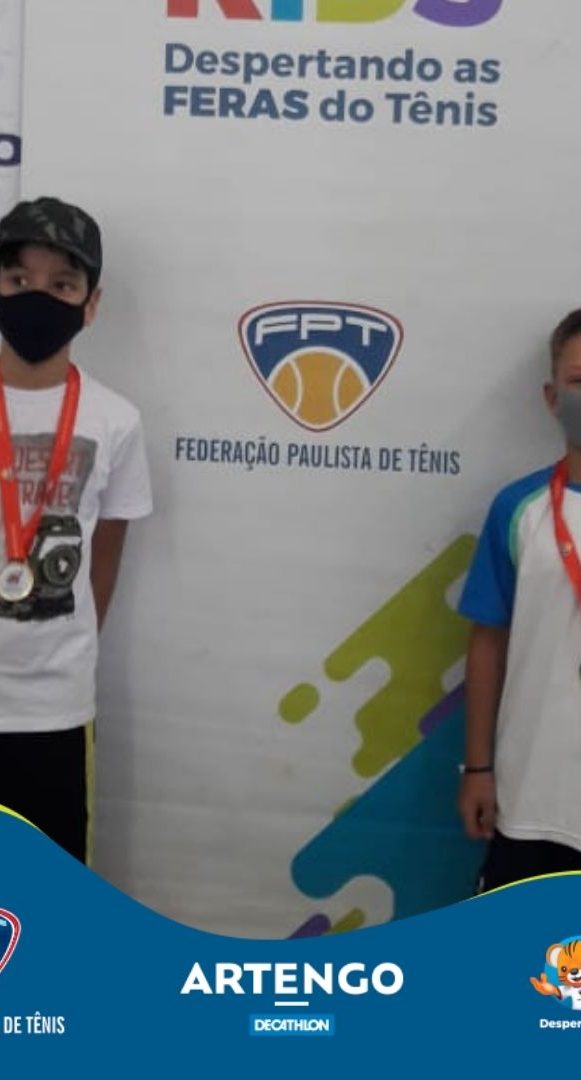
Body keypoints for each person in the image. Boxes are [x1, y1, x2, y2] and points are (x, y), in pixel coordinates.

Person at [0, 195, 152, 864]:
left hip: (54, 705)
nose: (37, 296)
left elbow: (105, 557)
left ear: (91, 304)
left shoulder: (115, 420)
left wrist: (66, 644)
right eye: (17, 279)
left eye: (62, 285)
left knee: (49, 886)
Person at [458, 309, 581, 891]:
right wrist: (478, 767)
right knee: (526, 952)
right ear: (552, 398)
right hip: (533, 798)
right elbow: (487, 642)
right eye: (579, 380)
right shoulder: (518, 509)